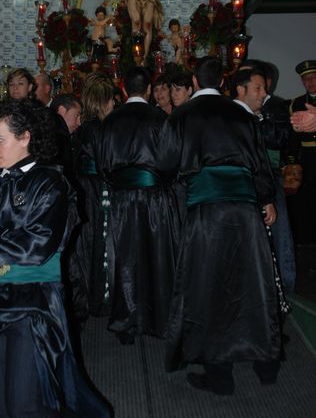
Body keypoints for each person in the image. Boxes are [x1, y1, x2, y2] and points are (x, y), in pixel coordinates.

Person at [0, 100, 112, 418]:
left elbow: (36, 248)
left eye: (0, 139)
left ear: (25, 137)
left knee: (26, 404)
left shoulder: (50, 184)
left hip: (32, 304)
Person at [158, 57, 285, 396]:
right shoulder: (241, 115)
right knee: (253, 283)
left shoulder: (181, 115)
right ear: (223, 82)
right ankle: (266, 362)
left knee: (209, 287)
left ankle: (220, 373)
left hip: (206, 213)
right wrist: (264, 198)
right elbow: (260, 165)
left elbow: (166, 165)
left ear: (196, 83)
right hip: (245, 211)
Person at [92, 66, 179, 344]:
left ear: (123, 89)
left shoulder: (111, 121)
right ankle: (160, 318)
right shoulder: (160, 118)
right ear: (150, 89)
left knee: (126, 257)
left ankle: (126, 320)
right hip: (155, 197)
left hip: (123, 198)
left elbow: (103, 164)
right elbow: (172, 161)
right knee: (159, 254)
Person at [235, 61, 296, 293]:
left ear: (266, 83)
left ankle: (285, 286)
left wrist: (257, 119)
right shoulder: (237, 106)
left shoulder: (277, 106)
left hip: (270, 174)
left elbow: (279, 139)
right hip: (245, 175)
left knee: (278, 229)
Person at [73, 73, 115, 321]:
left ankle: (90, 295)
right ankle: (102, 295)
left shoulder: (84, 129)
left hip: (84, 188)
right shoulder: (102, 129)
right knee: (103, 241)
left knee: (88, 242)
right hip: (99, 189)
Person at [288, 60, 316, 246]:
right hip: (308, 155)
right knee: (308, 197)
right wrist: (291, 159)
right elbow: (293, 136)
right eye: (306, 79)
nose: (310, 82)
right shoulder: (296, 103)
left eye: (313, 78)